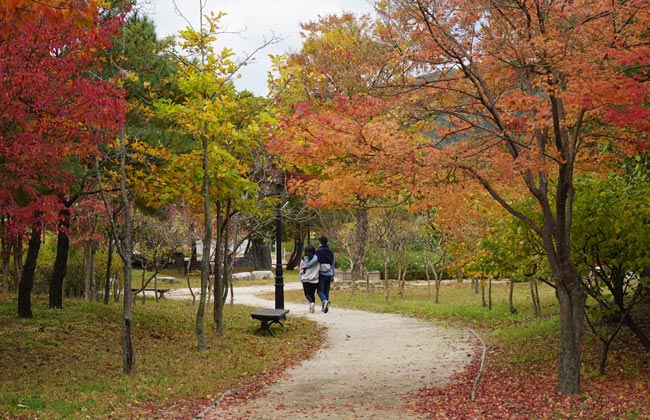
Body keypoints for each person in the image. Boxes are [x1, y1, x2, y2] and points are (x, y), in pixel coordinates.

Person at [315, 235, 335, 313]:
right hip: (329, 274)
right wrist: (333, 274)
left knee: (320, 290)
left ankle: (324, 301)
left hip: (322, 274)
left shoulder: (318, 251)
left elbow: (315, 262)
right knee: (326, 291)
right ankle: (324, 307)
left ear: (320, 242)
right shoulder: (330, 252)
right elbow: (333, 264)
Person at [299, 244, 319, 313]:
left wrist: (300, 278)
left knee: (307, 294)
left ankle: (311, 303)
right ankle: (312, 307)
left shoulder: (303, 259)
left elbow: (301, 270)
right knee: (312, 293)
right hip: (314, 279)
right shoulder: (317, 260)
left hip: (305, 279)